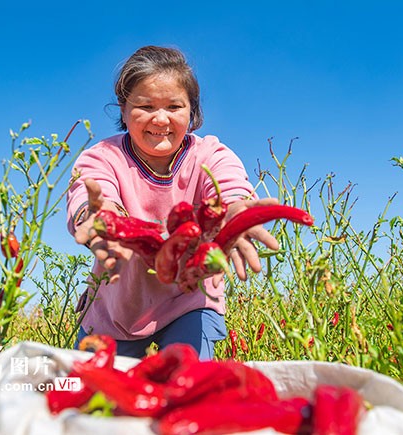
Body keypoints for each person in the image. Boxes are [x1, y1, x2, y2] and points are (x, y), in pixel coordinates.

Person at [66, 45, 279, 360]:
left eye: (174, 106)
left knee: (187, 383)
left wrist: (235, 211)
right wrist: (100, 218)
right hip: (118, 309)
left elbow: (229, 188)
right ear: (123, 111)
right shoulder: (102, 156)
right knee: (95, 397)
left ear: (192, 112)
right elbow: (91, 194)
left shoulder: (210, 155)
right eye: (145, 105)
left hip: (190, 301)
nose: (160, 118)